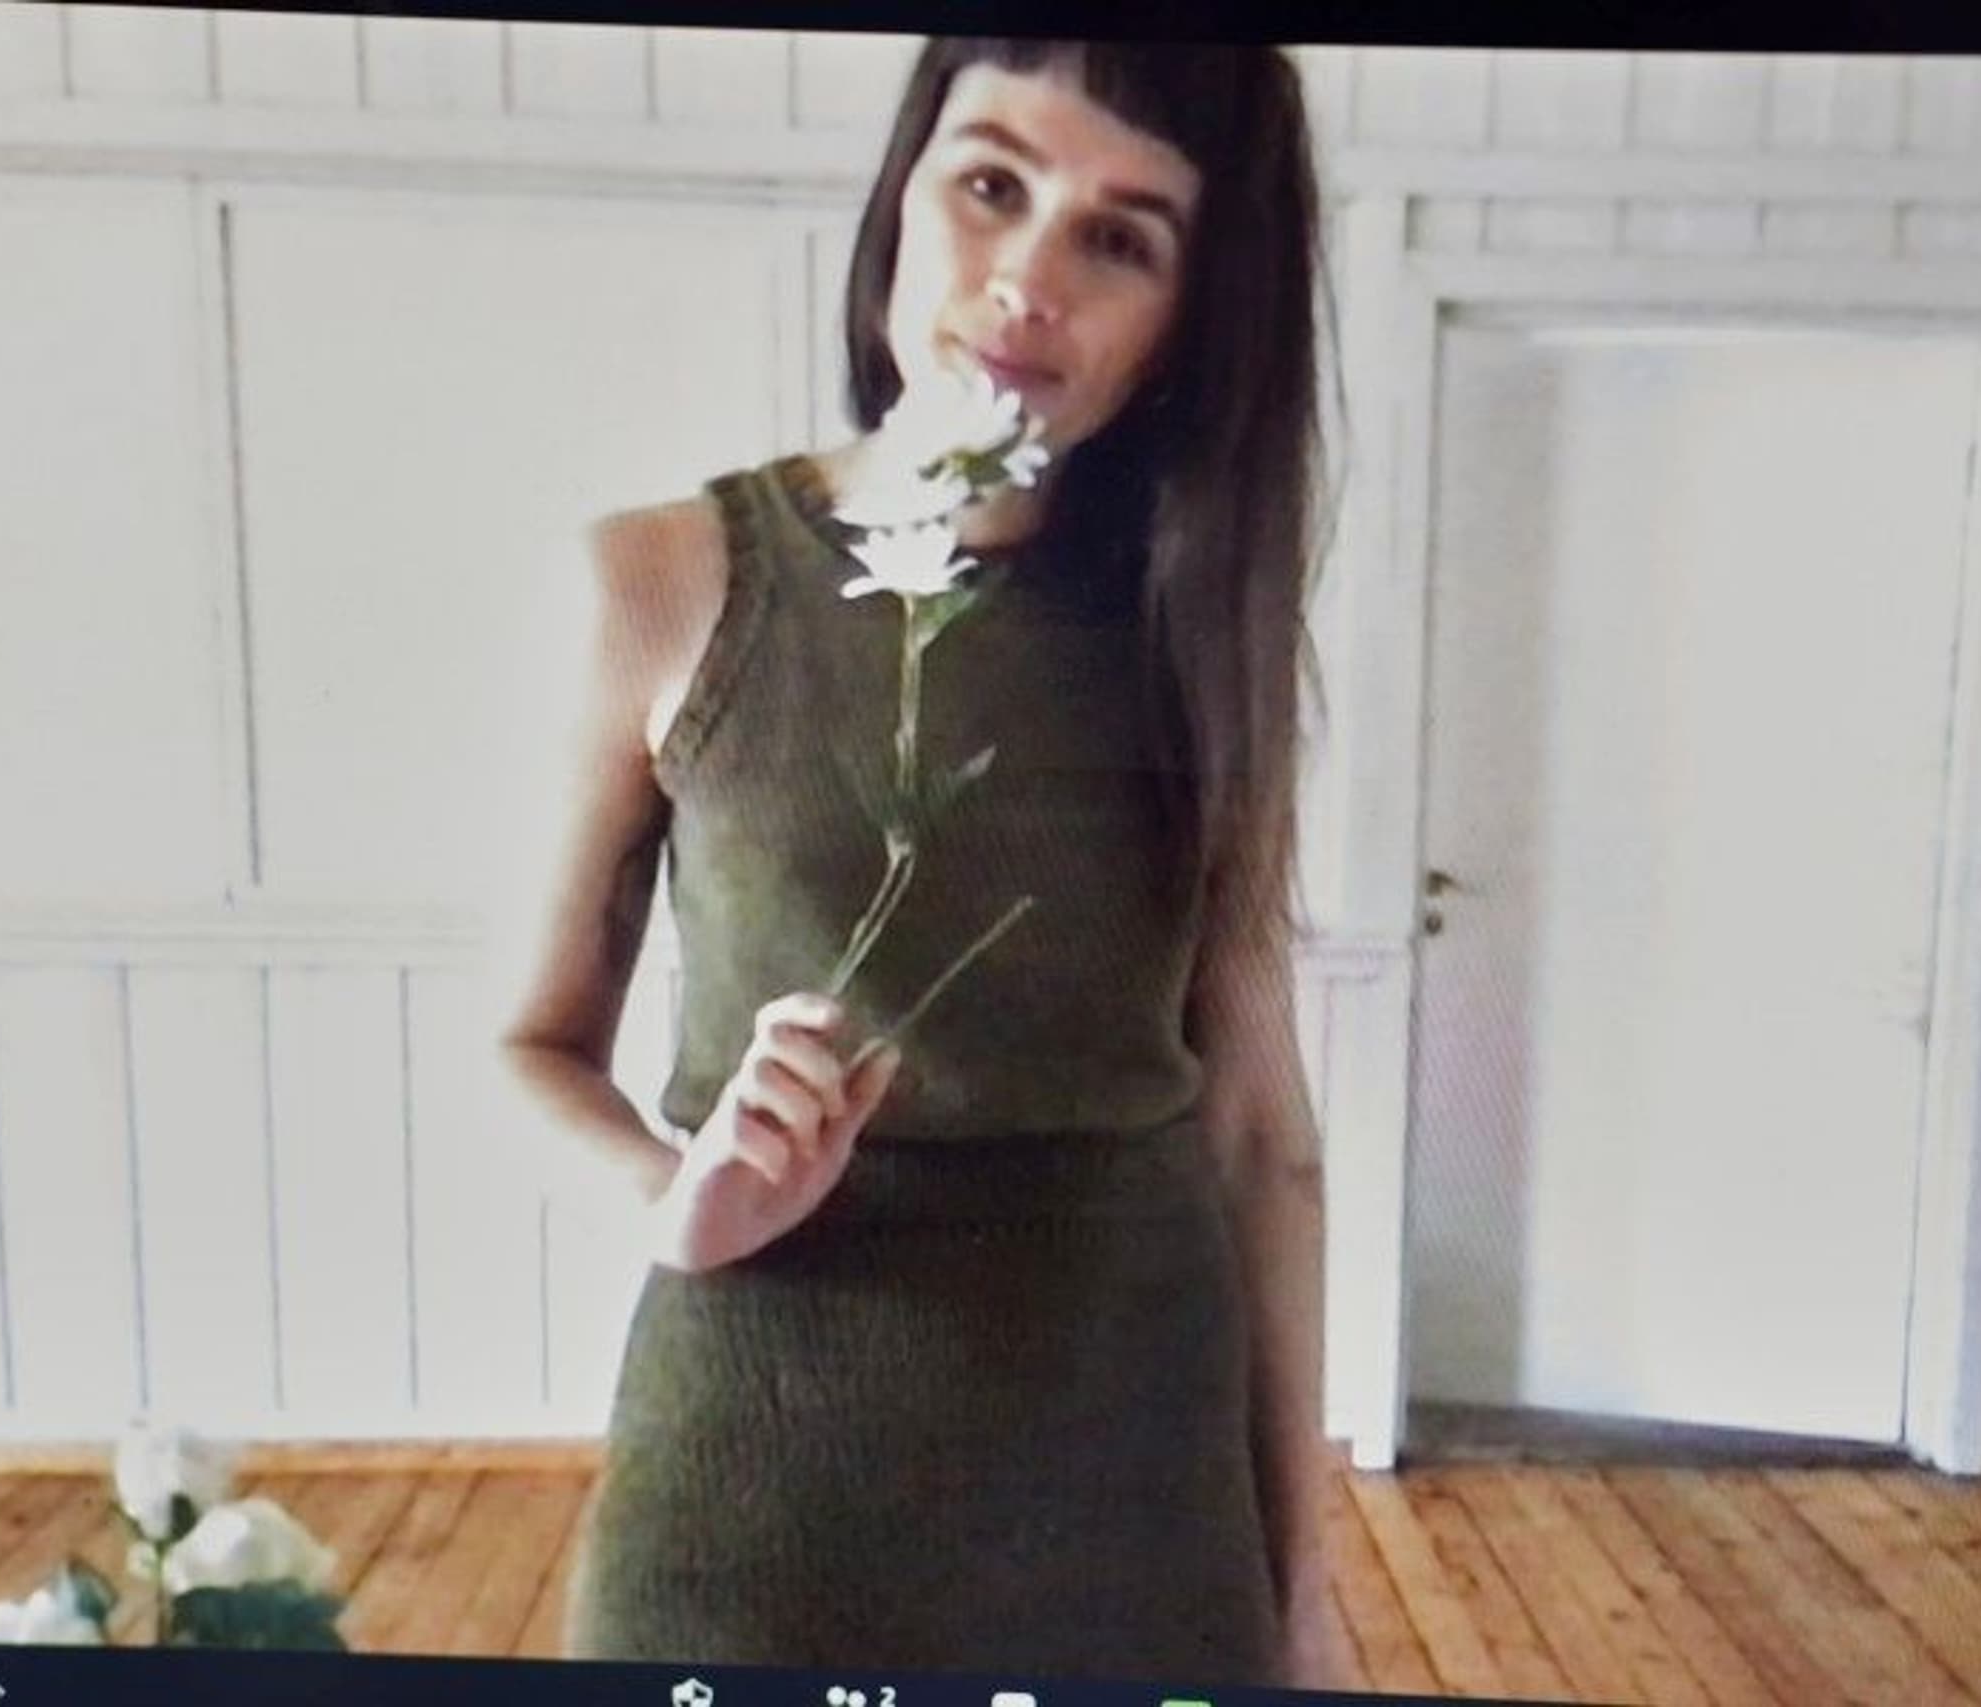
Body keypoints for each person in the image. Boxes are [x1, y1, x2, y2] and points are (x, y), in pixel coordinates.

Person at [498, 37, 1353, 1690]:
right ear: (903, 195)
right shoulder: (663, 582)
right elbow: (524, 1044)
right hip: (756, 1501)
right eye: (991, 184)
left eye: (1121, 239)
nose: (1028, 278)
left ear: (1191, 317)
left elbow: (1262, 1137)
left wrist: (1303, 1594)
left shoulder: (1199, 630)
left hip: (1140, 1513)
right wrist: (676, 1195)